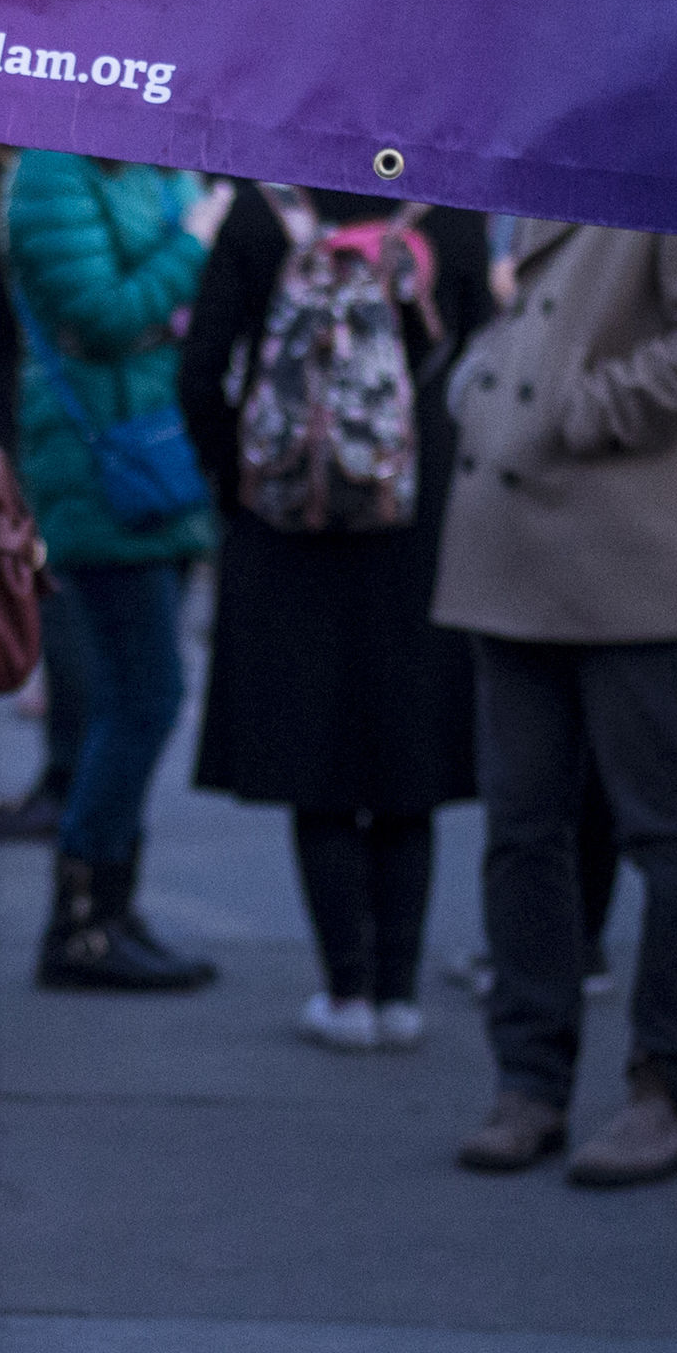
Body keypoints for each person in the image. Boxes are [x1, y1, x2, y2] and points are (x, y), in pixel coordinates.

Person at [433, 215, 677, 1186]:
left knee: (659, 825)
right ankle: (528, 1078)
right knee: (520, 827)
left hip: (627, 549)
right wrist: (494, 374)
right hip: (519, 545)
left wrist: (578, 405)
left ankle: (665, 1085)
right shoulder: (568, 139)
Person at [178, 183, 493, 1048]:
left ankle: (344, 991)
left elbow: (200, 368)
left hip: (287, 526)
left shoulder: (259, 212)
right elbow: (479, 362)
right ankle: (399, 991)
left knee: (315, 761)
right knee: (407, 762)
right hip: (415, 522)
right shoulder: (448, 210)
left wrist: (242, 480)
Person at [8, 150, 227, 988]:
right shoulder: (51, 174)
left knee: (138, 695)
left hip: (159, 455)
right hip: (97, 467)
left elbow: (174, 314)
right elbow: (100, 316)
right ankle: (80, 919)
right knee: (143, 696)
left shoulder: (158, 166)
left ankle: (110, 908)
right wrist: (194, 245)